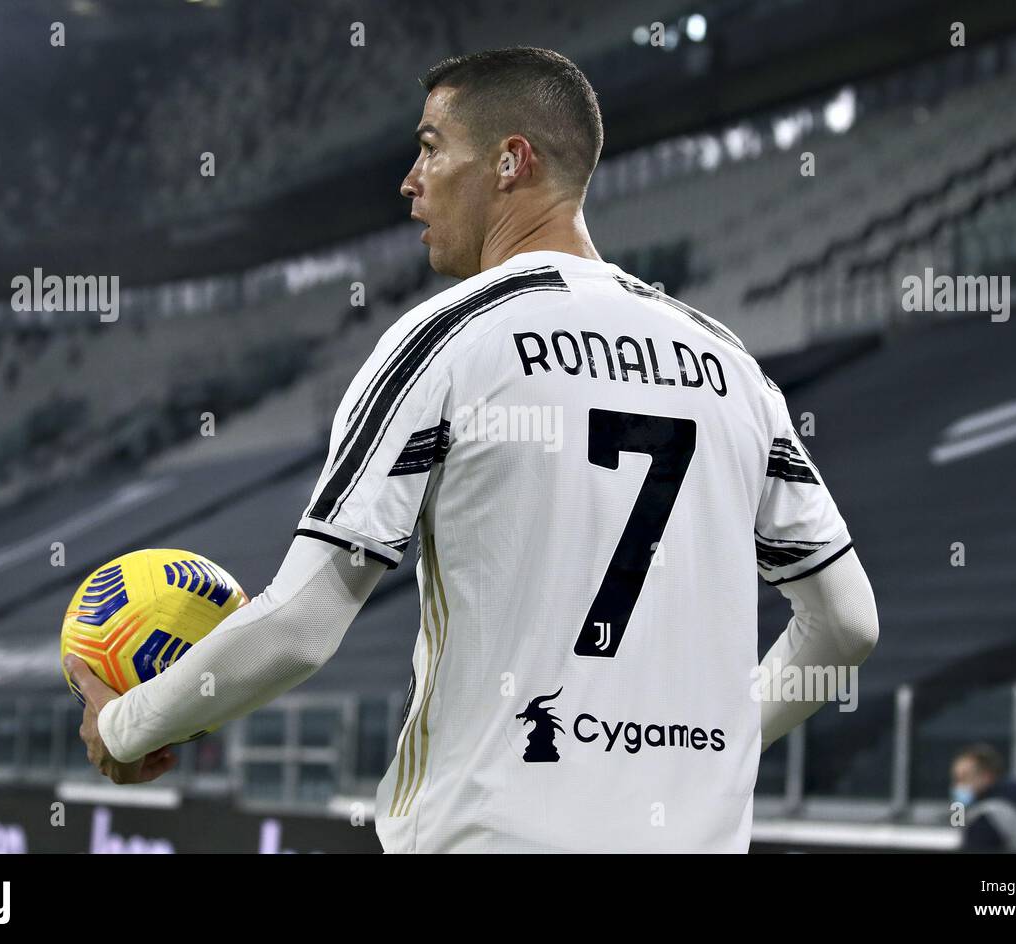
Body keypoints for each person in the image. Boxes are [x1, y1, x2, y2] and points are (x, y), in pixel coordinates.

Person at [67, 46, 879, 853]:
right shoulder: (729, 365)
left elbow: (303, 624)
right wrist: (725, 755)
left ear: (509, 163)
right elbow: (845, 625)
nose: (409, 181)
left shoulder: (450, 338)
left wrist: (128, 724)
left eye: (428, 147)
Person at [952, 744, 1016, 852]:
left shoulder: (986, 817)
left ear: (986, 777)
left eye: (964, 778)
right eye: (956, 779)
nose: (958, 785)